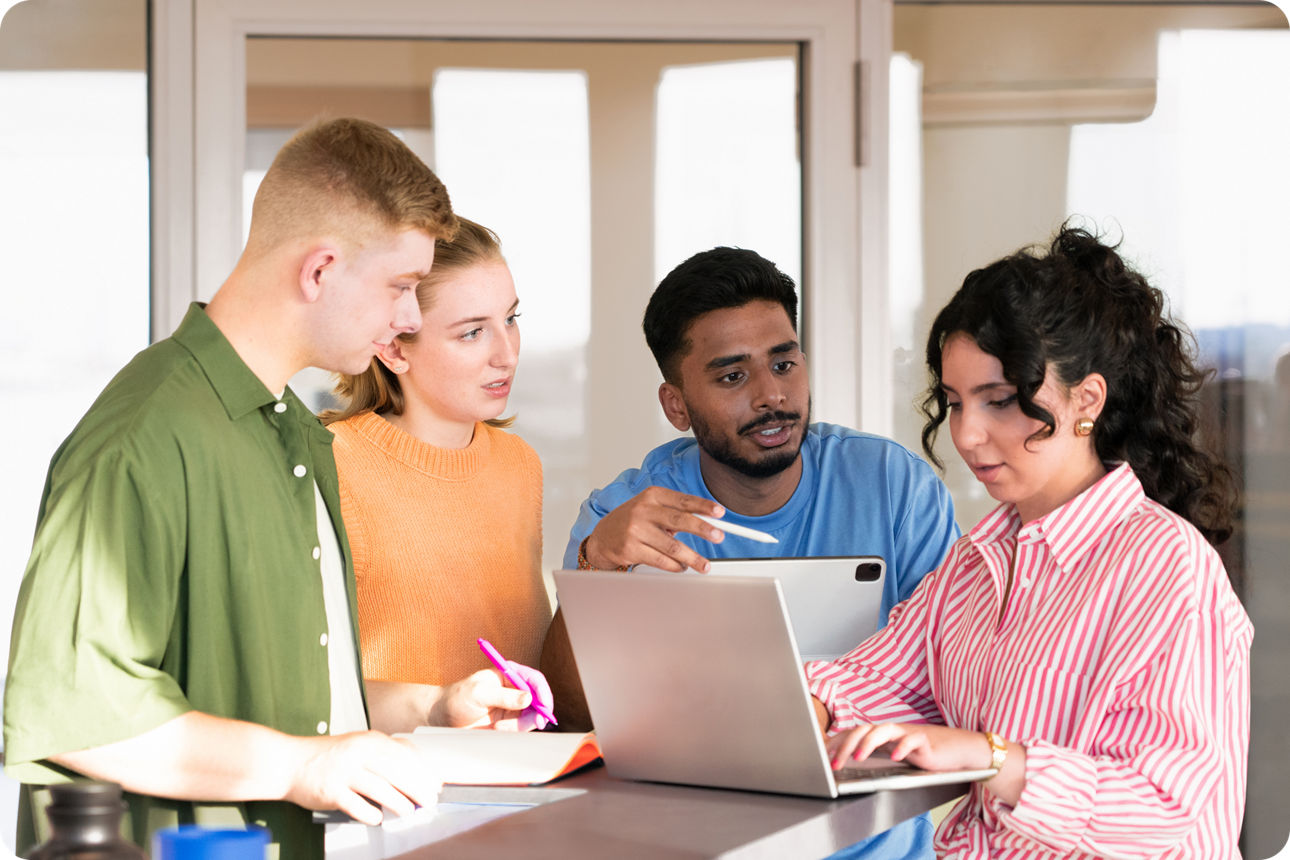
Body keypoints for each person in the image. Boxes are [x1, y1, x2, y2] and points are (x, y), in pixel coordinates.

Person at [2, 118, 536, 858]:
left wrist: (433, 705)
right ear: (319, 271)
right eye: (403, 287)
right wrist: (302, 769)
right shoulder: (143, 437)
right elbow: (74, 711)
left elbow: (296, 698)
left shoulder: (291, 429)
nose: (409, 318)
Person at [809, 225, 1252, 857]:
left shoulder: (1169, 567)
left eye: (999, 401)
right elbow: (882, 677)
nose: (966, 435)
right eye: (955, 403)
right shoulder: (979, 561)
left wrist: (994, 758)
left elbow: (1163, 806)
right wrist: (811, 708)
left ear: (1086, 400)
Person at [542, 246, 959, 860]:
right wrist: (596, 568)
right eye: (732, 376)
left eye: (784, 363)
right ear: (677, 405)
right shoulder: (623, 513)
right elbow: (571, 717)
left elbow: (952, 679)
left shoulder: (894, 487)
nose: (772, 395)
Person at [322, 217, 552, 733]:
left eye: (510, 319)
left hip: (528, 777)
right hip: (401, 788)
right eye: (473, 332)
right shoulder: (333, 462)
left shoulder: (521, 465)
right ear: (394, 348)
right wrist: (436, 705)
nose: (507, 352)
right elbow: (310, 686)